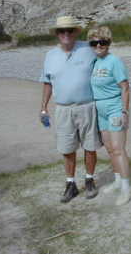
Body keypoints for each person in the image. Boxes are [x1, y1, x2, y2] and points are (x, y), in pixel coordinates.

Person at [40, 15, 102, 203]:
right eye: (61, 31)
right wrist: (43, 108)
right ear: (57, 34)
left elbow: (106, 64)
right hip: (63, 110)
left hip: (88, 107)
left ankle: (90, 180)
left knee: (90, 147)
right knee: (67, 149)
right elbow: (47, 83)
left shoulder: (89, 48)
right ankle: (71, 184)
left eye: (69, 30)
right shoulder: (50, 56)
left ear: (75, 32)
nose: (65, 34)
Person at [87, 26, 131, 206]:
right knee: (110, 149)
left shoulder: (115, 62)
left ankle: (126, 189)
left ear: (108, 43)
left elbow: (125, 87)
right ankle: (117, 180)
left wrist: (124, 111)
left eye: (102, 42)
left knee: (118, 149)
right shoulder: (94, 62)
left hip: (114, 108)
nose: (99, 45)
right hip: (100, 109)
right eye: (94, 42)